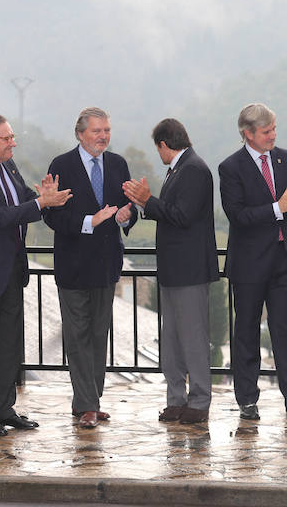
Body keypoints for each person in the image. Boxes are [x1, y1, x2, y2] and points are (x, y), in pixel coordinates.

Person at [0, 113, 72, 435]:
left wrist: (45, 198)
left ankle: (3, 409)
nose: (13, 143)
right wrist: (41, 204)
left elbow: (22, 201)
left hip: (10, 271)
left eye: (12, 137)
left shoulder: (8, 165)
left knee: (8, 345)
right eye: (6, 139)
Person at [218, 102, 287, 420]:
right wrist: (279, 206)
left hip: (285, 260)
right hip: (249, 264)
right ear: (248, 134)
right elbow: (238, 216)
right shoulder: (230, 168)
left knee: (284, 331)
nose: (273, 135)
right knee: (246, 331)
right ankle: (247, 400)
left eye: (274, 129)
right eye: (266, 131)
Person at [43, 107, 136, 429]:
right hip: (73, 266)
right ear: (80, 133)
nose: (103, 136)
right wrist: (88, 222)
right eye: (97, 131)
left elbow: (128, 207)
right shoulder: (61, 166)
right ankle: (87, 405)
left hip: (107, 264)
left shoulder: (118, 164)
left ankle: (88, 401)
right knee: (78, 335)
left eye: (107, 130)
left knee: (98, 334)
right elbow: (51, 216)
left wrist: (127, 216)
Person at [123, 118, 219, 424]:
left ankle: (199, 401)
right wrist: (147, 202)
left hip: (189, 271)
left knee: (192, 338)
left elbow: (182, 216)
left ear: (164, 144)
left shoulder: (194, 169)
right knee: (173, 341)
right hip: (174, 269)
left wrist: (146, 201)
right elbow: (172, 213)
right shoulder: (179, 168)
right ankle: (176, 399)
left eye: (158, 148)